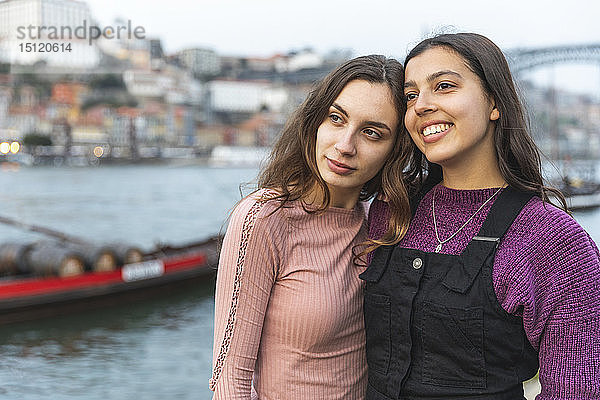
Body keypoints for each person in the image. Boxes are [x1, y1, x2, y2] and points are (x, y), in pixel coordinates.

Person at [363, 33, 600, 399]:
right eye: (411, 96)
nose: (421, 105)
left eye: (443, 86)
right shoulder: (390, 209)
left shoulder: (552, 241)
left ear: (494, 102)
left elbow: (577, 389)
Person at [209, 55, 413, 399]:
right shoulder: (265, 218)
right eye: (336, 119)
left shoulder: (384, 223)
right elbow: (229, 380)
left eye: (372, 133)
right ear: (315, 121)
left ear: (395, 149)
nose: (345, 146)